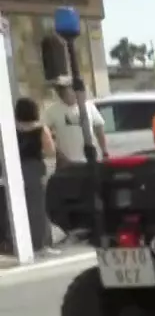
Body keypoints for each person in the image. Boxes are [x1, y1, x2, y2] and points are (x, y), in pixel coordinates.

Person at [11, 98, 55, 253]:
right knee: (39, 207)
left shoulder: (10, 128)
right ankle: (41, 244)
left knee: (19, 208)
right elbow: (50, 151)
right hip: (35, 168)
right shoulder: (41, 129)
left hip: (15, 168)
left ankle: (20, 243)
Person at [48, 80, 107, 166]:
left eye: (66, 91)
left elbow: (99, 130)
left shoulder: (88, 106)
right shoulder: (52, 110)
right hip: (65, 161)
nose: (62, 95)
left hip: (89, 158)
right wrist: (58, 153)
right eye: (60, 92)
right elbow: (47, 134)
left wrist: (105, 152)